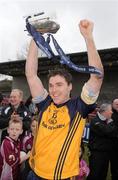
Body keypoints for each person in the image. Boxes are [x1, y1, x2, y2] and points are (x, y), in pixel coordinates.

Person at [25, 19, 104, 179]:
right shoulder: (45, 103)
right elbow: (31, 75)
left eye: (59, 85)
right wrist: (35, 37)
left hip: (60, 176)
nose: (53, 90)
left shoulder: (80, 107)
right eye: (51, 85)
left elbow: (97, 77)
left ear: (70, 87)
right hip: (33, 172)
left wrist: (88, 37)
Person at [87, 103, 118, 180]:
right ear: (105, 111)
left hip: (106, 153)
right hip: (97, 154)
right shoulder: (95, 121)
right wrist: (110, 124)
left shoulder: (107, 121)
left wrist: (110, 126)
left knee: (103, 175)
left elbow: (114, 132)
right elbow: (107, 131)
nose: (112, 112)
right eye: (110, 110)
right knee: (95, 175)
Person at [110, 99, 118, 180]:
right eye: (116, 104)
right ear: (112, 104)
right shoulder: (110, 114)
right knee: (114, 165)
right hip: (112, 146)